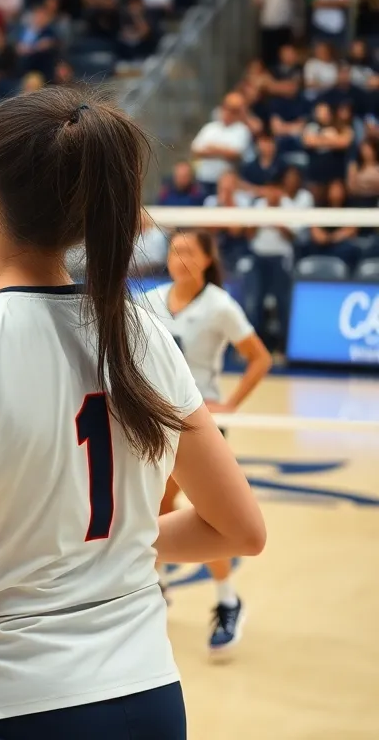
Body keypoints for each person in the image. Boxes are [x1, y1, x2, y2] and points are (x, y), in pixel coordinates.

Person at [0, 85, 267, 739]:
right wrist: (106, 546)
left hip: (8, 703)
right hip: (148, 697)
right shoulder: (144, 332)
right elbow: (241, 529)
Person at [140, 231, 273, 654]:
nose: (179, 258)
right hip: (156, 421)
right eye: (174, 251)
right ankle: (158, 585)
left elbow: (259, 357)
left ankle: (228, 601)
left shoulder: (219, 304)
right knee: (157, 506)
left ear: (207, 258)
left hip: (200, 425)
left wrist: (230, 404)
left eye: (188, 252)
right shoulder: (152, 300)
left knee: (209, 517)